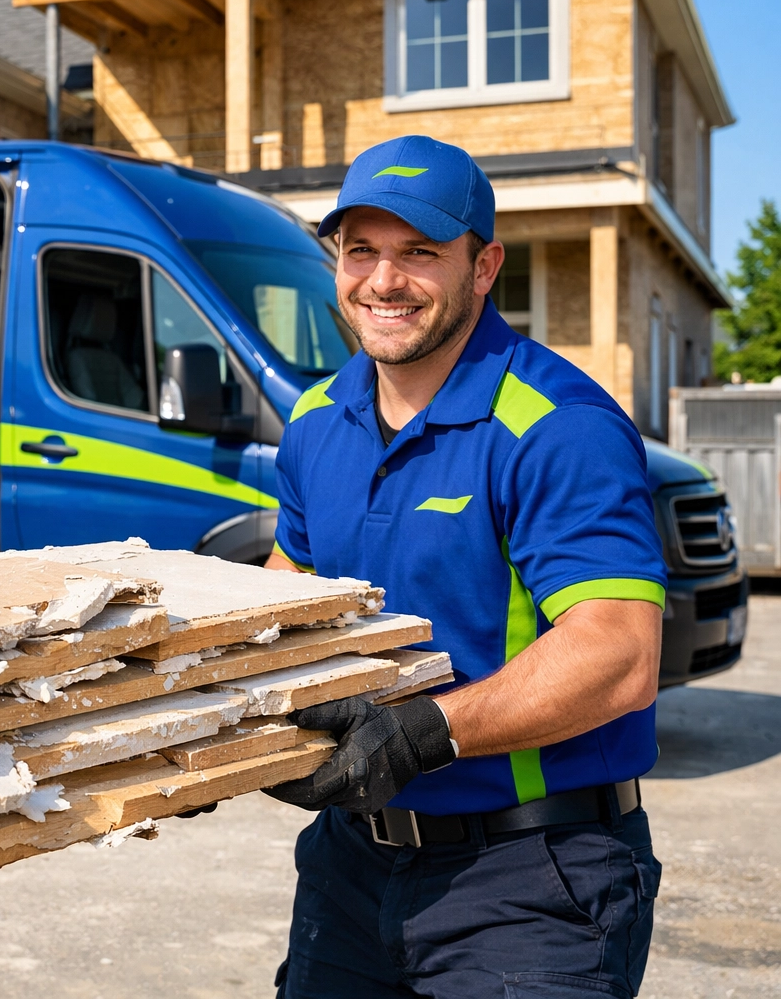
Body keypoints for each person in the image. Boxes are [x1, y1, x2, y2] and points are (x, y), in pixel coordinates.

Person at [262, 135, 666, 998]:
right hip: (350, 866)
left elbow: (620, 653)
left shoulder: (557, 425)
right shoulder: (314, 419)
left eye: (419, 253)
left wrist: (425, 731)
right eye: (361, 250)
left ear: (484, 268)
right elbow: (285, 602)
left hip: (531, 881)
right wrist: (214, 721)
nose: (383, 281)